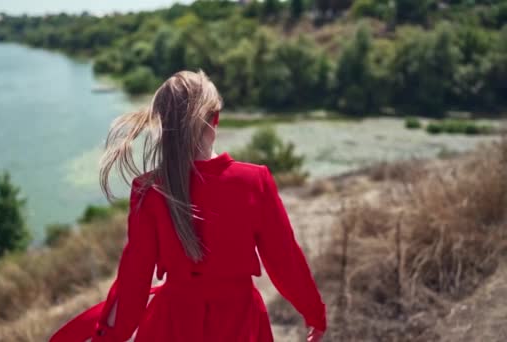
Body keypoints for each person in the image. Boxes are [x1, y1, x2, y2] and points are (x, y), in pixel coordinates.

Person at [50, 70, 326, 342]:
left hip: (172, 323)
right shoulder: (254, 181)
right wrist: (313, 312)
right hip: (239, 323)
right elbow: (285, 259)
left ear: (162, 123)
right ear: (215, 119)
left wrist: (108, 337)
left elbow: (133, 282)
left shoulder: (148, 190)